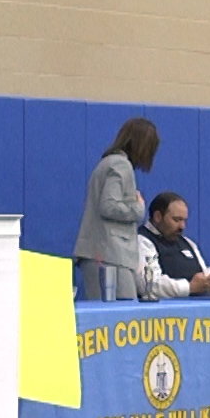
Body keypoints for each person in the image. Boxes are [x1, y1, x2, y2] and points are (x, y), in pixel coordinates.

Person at [73, 117, 157, 300]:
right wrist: (138, 208)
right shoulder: (121, 165)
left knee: (106, 314)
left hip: (100, 252)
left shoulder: (106, 163)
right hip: (110, 254)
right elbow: (108, 206)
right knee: (123, 313)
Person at [136, 192, 210, 298]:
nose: (182, 226)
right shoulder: (142, 241)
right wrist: (189, 287)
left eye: (184, 220)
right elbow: (148, 285)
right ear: (158, 216)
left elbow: (206, 277)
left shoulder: (187, 242)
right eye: (176, 220)